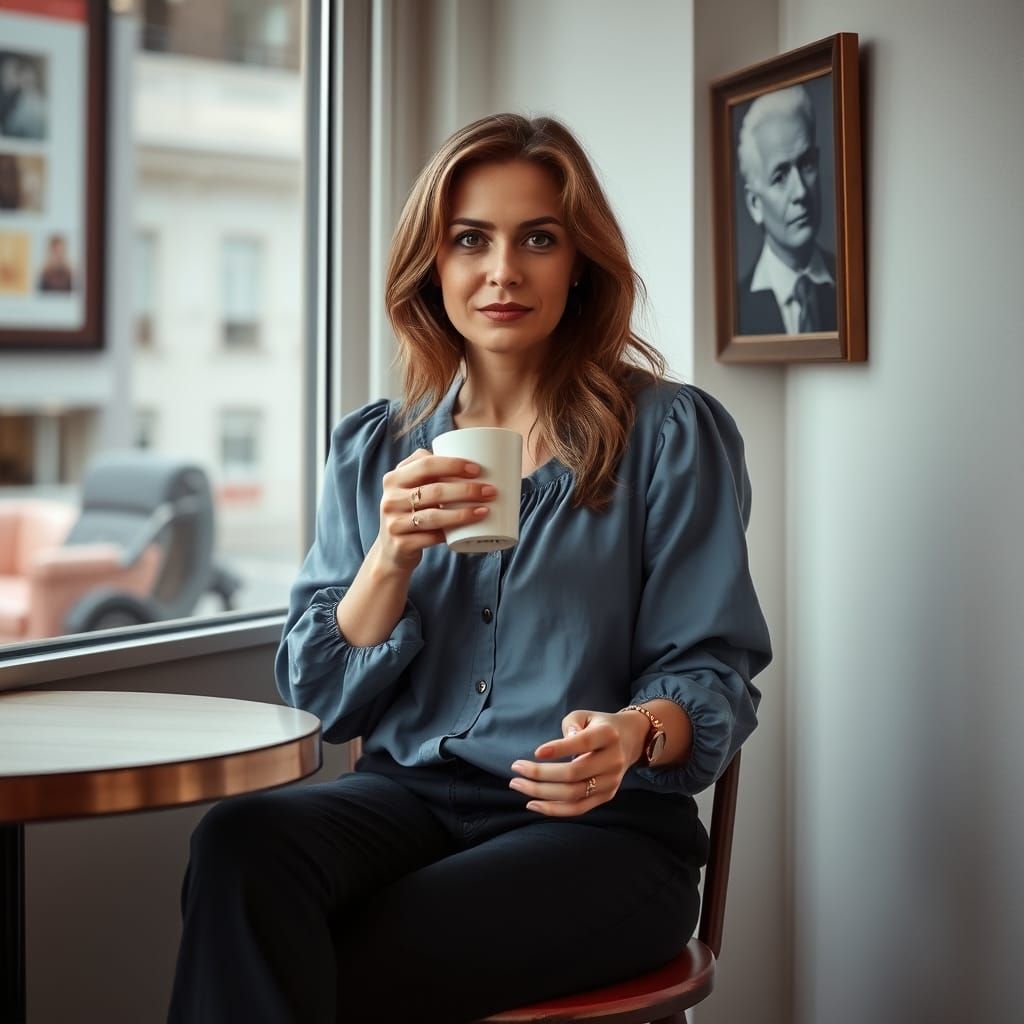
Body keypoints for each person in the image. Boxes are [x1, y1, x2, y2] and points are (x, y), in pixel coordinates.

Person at [168, 112, 772, 1024]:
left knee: (330, 955)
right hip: (406, 803)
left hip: (600, 833)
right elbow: (322, 700)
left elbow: (712, 672)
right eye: (469, 240)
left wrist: (634, 735)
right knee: (238, 846)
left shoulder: (669, 436)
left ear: (580, 263)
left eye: (537, 238)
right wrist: (389, 554)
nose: (502, 271)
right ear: (433, 265)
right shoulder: (376, 448)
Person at [736, 84, 836, 335]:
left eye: (807, 165)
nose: (801, 192)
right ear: (754, 204)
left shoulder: (852, 286)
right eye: (780, 176)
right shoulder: (737, 310)